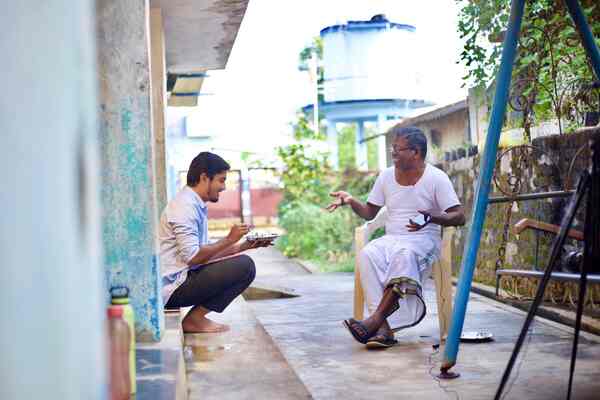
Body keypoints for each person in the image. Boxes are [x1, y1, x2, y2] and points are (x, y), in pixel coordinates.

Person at [327, 126, 465, 349]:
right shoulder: (386, 176)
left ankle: (374, 321)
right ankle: (384, 331)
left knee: (404, 254)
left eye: (398, 149)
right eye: (393, 149)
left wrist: (433, 216)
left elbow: (459, 216)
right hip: (393, 238)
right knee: (368, 253)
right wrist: (351, 201)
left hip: (423, 240)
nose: (393, 153)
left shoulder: (436, 178)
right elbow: (369, 213)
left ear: (416, 152)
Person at [159, 152, 273, 333]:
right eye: (221, 180)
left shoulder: (194, 203)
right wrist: (228, 239)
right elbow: (194, 257)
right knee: (245, 266)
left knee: (244, 262)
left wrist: (243, 246)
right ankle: (194, 320)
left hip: (184, 277)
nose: (224, 187)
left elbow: (206, 253)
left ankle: (196, 319)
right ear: (204, 177)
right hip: (174, 287)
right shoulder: (184, 207)